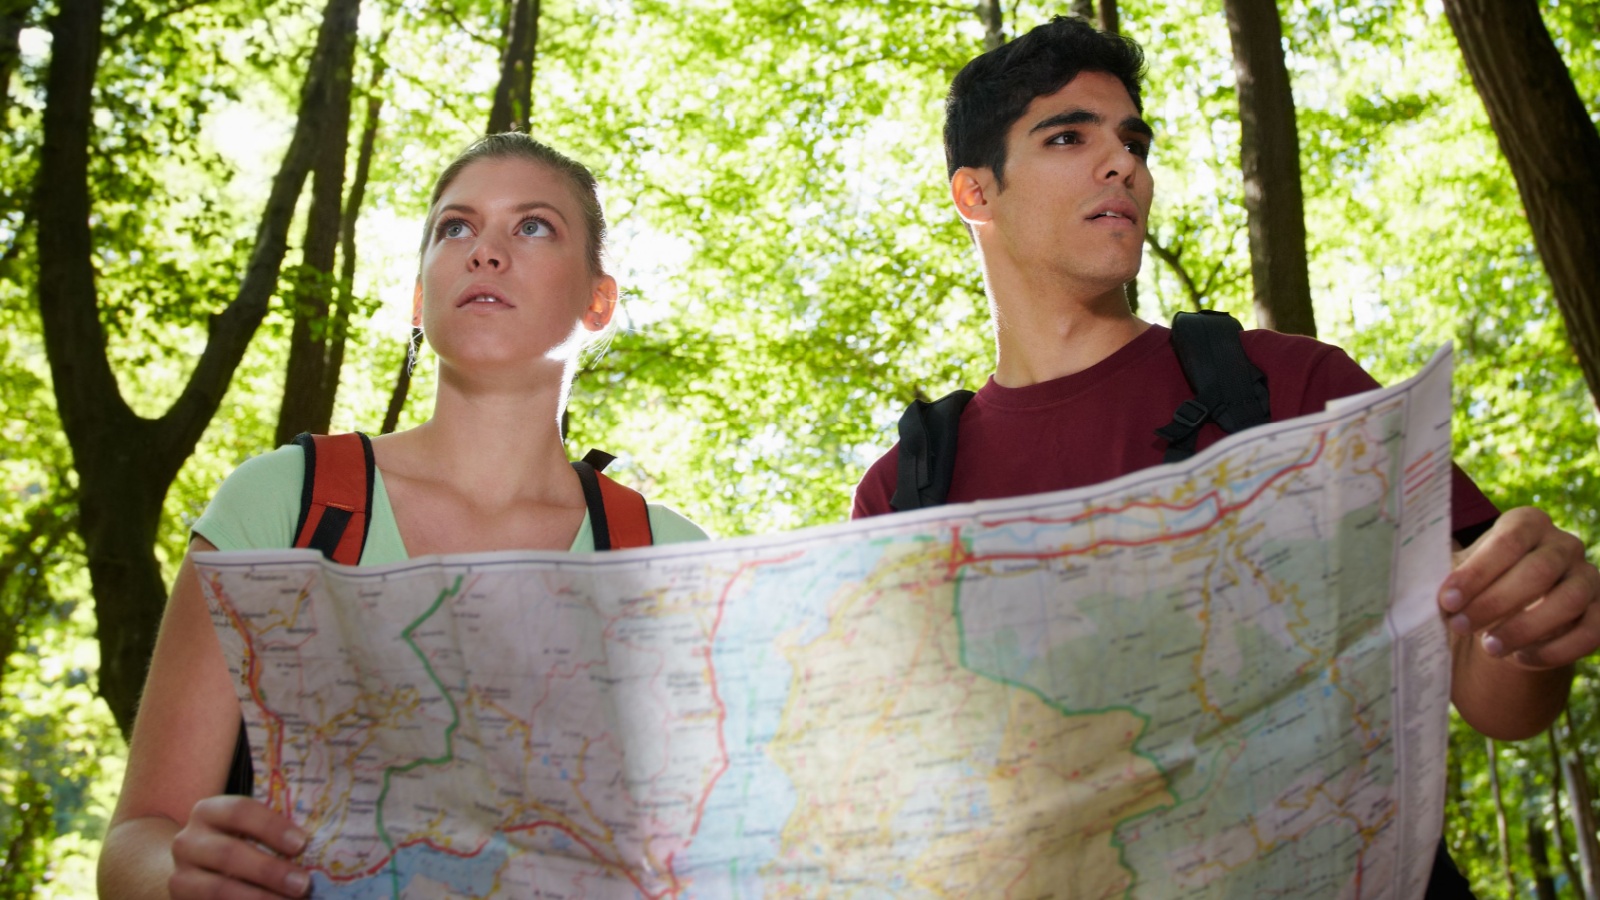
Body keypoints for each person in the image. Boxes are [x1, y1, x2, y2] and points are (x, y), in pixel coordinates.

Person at [850, 16, 1600, 897]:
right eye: (1067, 136)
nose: (1122, 162)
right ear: (975, 194)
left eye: (1134, 140)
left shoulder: (1292, 386)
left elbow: (1493, 698)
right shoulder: (904, 492)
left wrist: (1531, 630)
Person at [97, 133, 707, 898]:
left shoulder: (670, 556)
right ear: (420, 299)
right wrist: (176, 878)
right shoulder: (285, 503)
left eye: (532, 226)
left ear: (598, 300)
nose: (484, 251)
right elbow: (138, 837)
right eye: (456, 227)